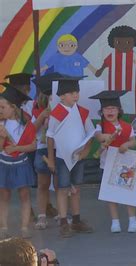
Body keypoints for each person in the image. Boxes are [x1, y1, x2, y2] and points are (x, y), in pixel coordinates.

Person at [45, 76, 95, 238]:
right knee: (63, 189)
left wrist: (86, 151)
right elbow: (50, 136)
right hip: (61, 158)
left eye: (77, 92)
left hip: (78, 158)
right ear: (61, 96)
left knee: (76, 189)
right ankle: (63, 222)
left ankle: (76, 220)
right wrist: (51, 159)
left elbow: (91, 132)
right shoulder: (57, 112)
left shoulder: (82, 112)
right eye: (71, 93)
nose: (75, 95)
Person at [90, 90, 136, 232]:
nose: (109, 111)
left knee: (128, 192)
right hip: (108, 164)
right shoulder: (101, 126)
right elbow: (99, 137)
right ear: (102, 111)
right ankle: (115, 221)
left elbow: (133, 141)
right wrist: (108, 137)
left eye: (113, 108)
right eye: (106, 109)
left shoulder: (127, 126)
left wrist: (126, 145)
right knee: (111, 194)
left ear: (119, 110)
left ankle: (132, 220)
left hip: (126, 163)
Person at [0, 83, 36, 239]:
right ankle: (4, 226)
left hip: (21, 163)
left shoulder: (26, 124)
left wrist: (17, 149)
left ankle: (24, 227)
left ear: (13, 107)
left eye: (2, 107)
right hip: (4, 163)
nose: (0, 110)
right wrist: (2, 137)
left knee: (24, 195)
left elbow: (33, 146)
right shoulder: (1, 124)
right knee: (4, 196)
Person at [95, 25, 136, 114]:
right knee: (115, 106)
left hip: (130, 88)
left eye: (128, 42)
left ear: (134, 42)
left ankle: (131, 120)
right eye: (118, 42)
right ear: (112, 42)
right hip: (114, 88)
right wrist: (100, 71)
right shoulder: (112, 56)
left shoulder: (135, 56)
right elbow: (104, 65)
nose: (123, 45)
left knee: (131, 106)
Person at [31, 73, 61, 230]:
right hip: (42, 150)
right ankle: (42, 216)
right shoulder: (37, 110)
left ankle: (61, 214)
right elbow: (31, 131)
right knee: (43, 184)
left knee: (59, 184)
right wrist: (43, 116)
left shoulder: (64, 109)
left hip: (60, 149)